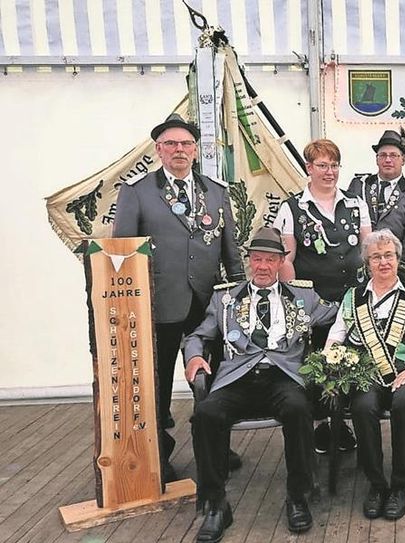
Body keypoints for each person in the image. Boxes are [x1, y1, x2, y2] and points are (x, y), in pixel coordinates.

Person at [183, 227, 339, 542]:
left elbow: (342, 314)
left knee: (298, 409)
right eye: (257, 259)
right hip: (237, 378)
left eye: (270, 260)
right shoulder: (224, 299)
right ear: (249, 261)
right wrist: (194, 357)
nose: (263, 267)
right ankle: (215, 505)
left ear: (282, 262)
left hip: (284, 377)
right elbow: (198, 335)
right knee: (206, 415)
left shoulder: (303, 296)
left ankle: (298, 496)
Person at [113, 113, 245, 479]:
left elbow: (231, 251)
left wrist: (238, 297)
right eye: (171, 144)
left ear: (196, 151)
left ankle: (215, 444)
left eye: (187, 144)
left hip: (208, 307)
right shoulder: (137, 192)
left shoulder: (216, 192)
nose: (179, 150)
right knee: (156, 385)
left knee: (217, 379)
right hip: (157, 307)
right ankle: (159, 451)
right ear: (158, 150)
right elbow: (122, 255)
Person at [326, 230, 405, 521]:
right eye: (376, 257)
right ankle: (377, 485)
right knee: (363, 407)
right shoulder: (353, 298)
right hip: (366, 375)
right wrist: (334, 361)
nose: (383, 262)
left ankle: (399, 485)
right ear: (367, 263)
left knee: (404, 404)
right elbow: (334, 338)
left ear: (398, 259)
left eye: (388, 255)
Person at [273, 138, 372, 453]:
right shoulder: (291, 208)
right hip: (314, 304)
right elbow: (285, 260)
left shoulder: (356, 203)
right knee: (316, 362)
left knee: (354, 358)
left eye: (334, 165)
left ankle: (346, 422)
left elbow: (369, 251)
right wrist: (300, 304)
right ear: (308, 168)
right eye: (322, 165)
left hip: (353, 300)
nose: (329, 172)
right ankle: (321, 426)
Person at [346, 128, 405, 267]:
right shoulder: (359, 185)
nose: (388, 160)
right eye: (383, 155)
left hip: (393, 268)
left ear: (403, 159)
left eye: (393, 155)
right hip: (358, 267)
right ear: (376, 159)